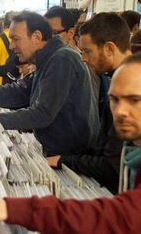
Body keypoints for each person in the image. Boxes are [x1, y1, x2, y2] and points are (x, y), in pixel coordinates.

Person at [0, 52, 141, 233]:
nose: (121, 111)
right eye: (115, 99)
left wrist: (10, 207)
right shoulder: (133, 150)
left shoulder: (62, 60)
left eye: (135, 100)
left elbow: (119, 215)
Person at [0, 11, 99, 156]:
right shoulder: (50, 57)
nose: (11, 46)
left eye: (16, 39)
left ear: (36, 37)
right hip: (58, 149)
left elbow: (42, 113)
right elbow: (20, 91)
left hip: (68, 156)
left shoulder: (62, 59)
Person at [46, 13, 132, 193]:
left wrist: (64, 160)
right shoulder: (119, 79)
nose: (83, 58)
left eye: (87, 51)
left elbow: (113, 165)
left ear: (109, 48)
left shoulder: (128, 88)